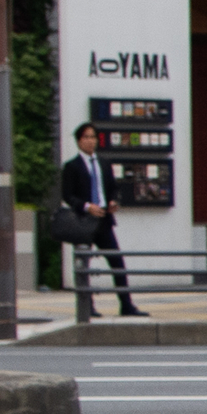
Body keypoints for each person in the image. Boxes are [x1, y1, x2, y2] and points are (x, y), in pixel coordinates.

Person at [60, 122, 144, 317]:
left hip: (104, 220)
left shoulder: (104, 163)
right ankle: (87, 307)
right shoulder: (72, 166)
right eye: (86, 137)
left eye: (93, 137)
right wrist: (87, 206)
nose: (90, 141)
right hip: (84, 221)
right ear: (79, 141)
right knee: (84, 265)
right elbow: (68, 195)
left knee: (117, 262)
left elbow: (113, 187)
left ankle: (126, 305)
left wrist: (114, 201)